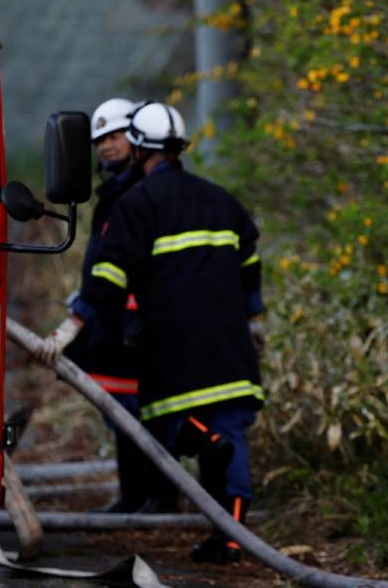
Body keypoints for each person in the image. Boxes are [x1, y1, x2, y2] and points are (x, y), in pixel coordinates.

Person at [40, 101, 265, 563]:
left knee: (166, 424)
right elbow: (250, 265)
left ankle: (207, 445)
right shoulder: (222, 199)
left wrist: (70, 326)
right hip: (232, 346)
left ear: (139, 148)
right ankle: (232, 539)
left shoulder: (138, 204)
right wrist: (254, 322)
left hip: (173, 348)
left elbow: (107, 277)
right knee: (230, 434)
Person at [34, 97, 171, 513]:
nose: (106, 147)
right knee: (121, 410)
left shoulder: (143, 193)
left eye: (115, 136)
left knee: (142, 410)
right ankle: (135, 497)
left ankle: (159, 498)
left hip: (137, 324)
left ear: (138, 138)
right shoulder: (115, 192)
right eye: (100, 141)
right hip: (112, 321)